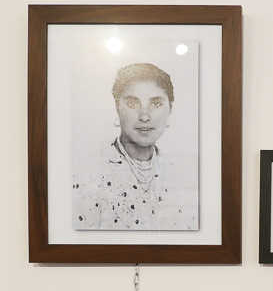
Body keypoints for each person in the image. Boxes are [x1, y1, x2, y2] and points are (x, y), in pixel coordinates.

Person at [72, 62, 198, 230]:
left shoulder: (181, 179)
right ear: (117, 108)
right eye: (132, 103)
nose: (144, 116)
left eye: (155, 103)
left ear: (170, 109)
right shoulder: (86, 177)